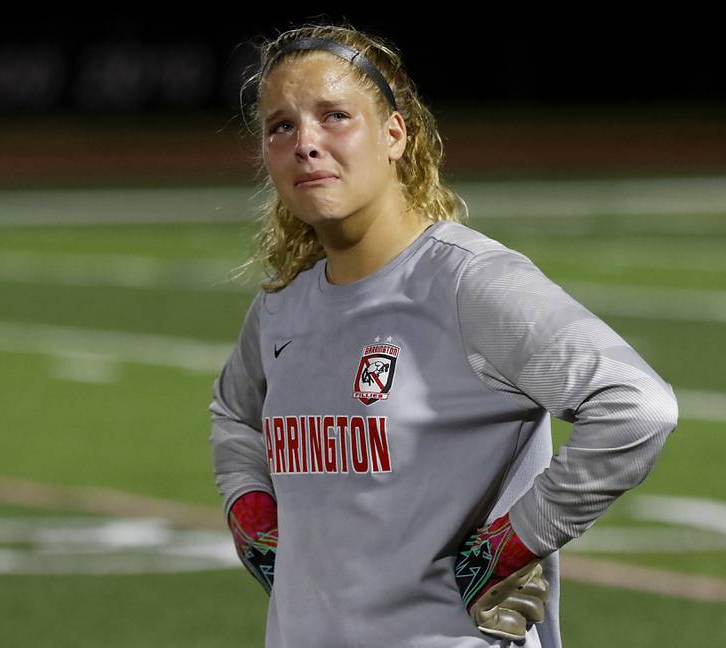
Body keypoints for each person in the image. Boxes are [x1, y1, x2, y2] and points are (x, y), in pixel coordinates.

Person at [208, 20, 679, 648]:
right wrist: (254, 523)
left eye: (335, 116)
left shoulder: (469, 284)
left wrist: (513, 543)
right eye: (281, 126)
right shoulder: (283, 308)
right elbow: (234, 416)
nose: (306, 143)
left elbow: (636, 407)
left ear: (394, 134)